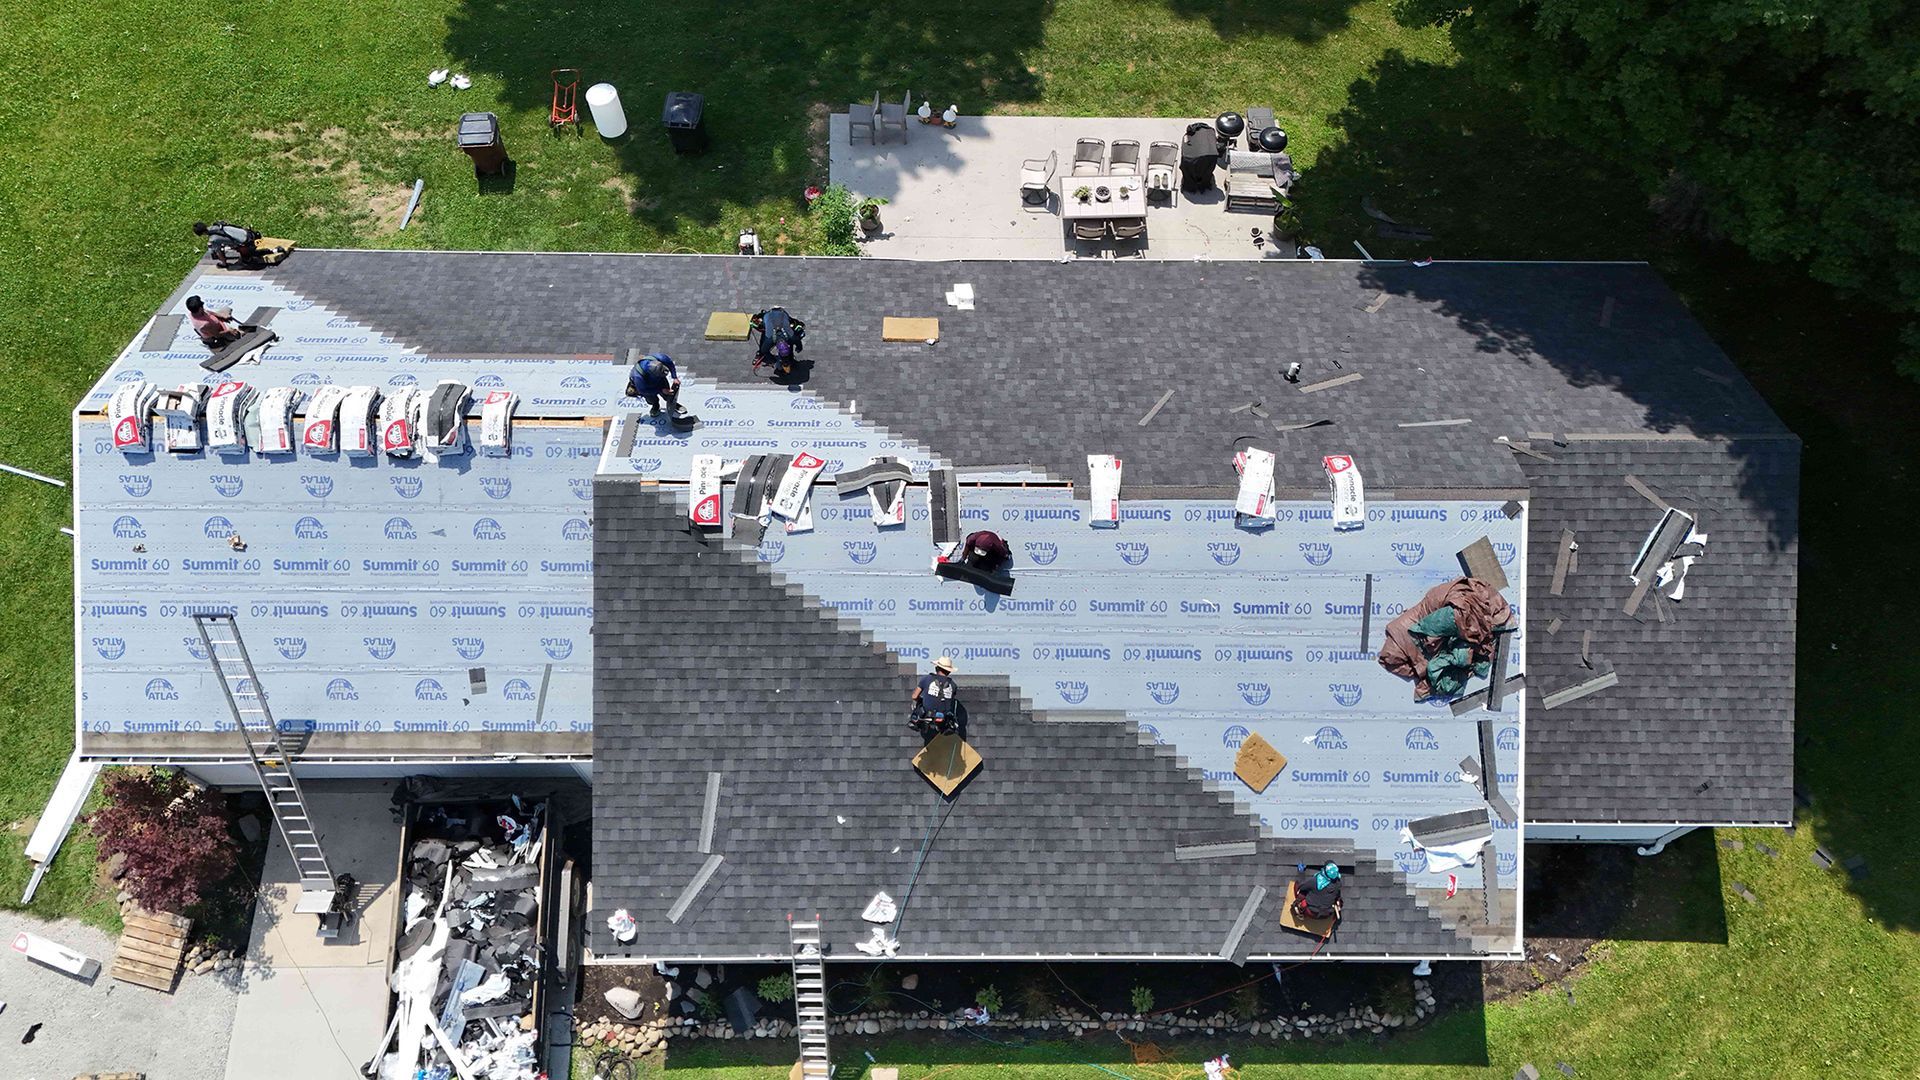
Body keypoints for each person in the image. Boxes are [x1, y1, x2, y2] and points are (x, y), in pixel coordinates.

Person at [194, 221, 293, 269]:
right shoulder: (217, 224)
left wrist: (224, 264)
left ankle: (275, 250)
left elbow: (220, 254)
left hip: (246, 243)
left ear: (201, 234)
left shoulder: (213, 239)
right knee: (240, 249)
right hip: (249, 233)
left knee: (248, 260)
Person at [909, 656, 959, 736]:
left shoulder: (926, 679)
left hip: (927, 712)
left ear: (937, 668)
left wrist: (920, 700)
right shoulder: (953, 685)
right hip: (944, 714)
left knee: (917, 701)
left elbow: (914, 696)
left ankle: (915, 721)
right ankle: (949, 725)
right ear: (949, 671)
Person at [751, 307, 806, 378]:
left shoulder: (791, 336)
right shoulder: (770, 338)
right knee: (764, 335)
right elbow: (764, 350)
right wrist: (774, 361)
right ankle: (788, 359)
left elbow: (797, 341)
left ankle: (790, 358)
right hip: (768, 316)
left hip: (782, 314)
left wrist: (799, 347)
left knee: (791, 341)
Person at [624, 352, 683, 417]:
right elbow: (643, 391)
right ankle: (655, 406)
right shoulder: (638, 377)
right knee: (651, 399)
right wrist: (661, 390)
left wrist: (674, 377)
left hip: (659, 380)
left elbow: (670, 364)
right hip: (647, 386)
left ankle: (673, 404)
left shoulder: (660, 358)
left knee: (668, 394)